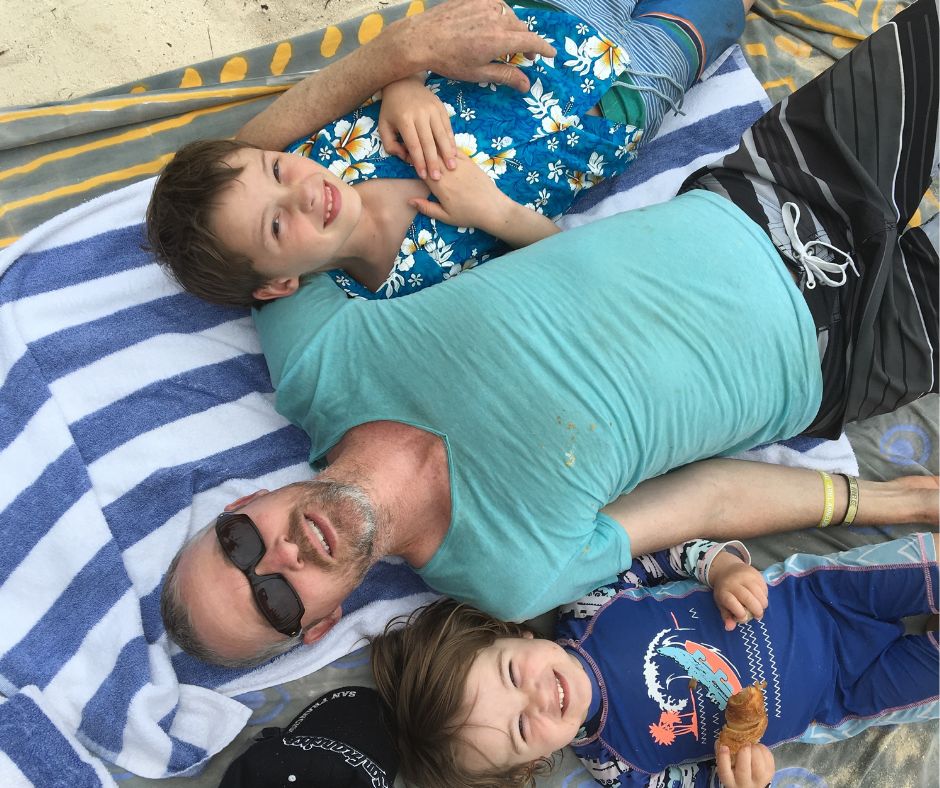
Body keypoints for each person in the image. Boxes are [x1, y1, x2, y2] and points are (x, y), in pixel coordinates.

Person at [160, 0, 939, 667]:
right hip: (843, 362)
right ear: (320, 624)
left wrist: (399, 58)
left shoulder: (316, 366)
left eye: (239, 545)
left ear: (248, 501)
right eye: (272, 599)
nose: (282, 557)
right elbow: (705, 500)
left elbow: (233, 168)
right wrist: (888, 502)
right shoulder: (506, 578)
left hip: (771, 196)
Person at [146, 0, 749, 304]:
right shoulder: (405, 292)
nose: (301, 191)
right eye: (276, 225)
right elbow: (577, 270)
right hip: (623, 99)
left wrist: (401, 81)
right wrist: (495, 214)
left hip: (544, 19)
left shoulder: (317, 151)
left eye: (278, 172)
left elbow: (244, 149)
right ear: (279, 285)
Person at [369, 532, 940, 787]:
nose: (539, 697)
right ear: (529, 765)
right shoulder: (621, 769)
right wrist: (742, 780)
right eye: (522, 728)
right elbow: (702, 782)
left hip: (821, 596)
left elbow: (672, 556)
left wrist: (721, 569)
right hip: (842, 696)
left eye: (514, 674)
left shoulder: (588, 604)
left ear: (510, 633)